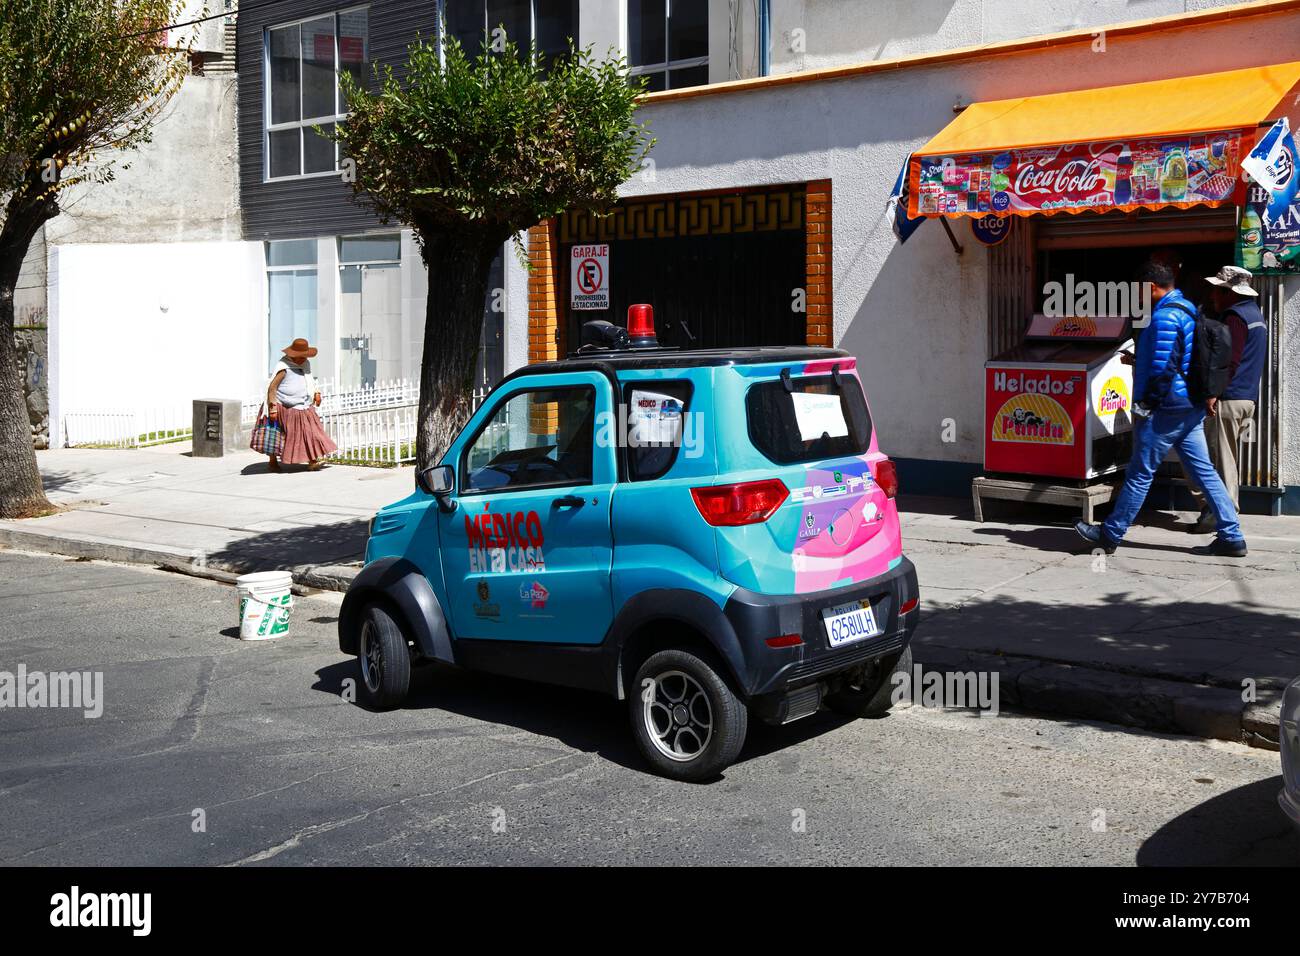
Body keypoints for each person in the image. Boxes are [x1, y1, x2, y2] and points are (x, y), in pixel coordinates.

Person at [1074, 260, 1248, 558]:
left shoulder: (1165, 316)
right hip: (1188, 407)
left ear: (1151, 286)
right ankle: (1232, 536)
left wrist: (1146, 405)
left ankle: (1109, 535)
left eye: (1140, 290)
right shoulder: (1189, 309)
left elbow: (1162, 368)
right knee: (1205, 473)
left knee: (1140, 474)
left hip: (1166, 409)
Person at [1187, 265, 1265, 532]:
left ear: (1229, 293)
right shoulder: (1255, 314)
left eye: (1216, 290)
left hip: (1230, 398)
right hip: (1247, 398)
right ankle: (1222, 515)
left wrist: (1213, 393)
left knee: (1220, 461)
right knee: (1225, 458)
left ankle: (1225, 519)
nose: (1212, 296)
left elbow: (1229, 361)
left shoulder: (1235, 316)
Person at [265, 338, 337, 472]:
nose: (303, 359)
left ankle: (313, 460)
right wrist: (273, 408)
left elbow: (309, 380)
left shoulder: (305, 364)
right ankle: (272, 461)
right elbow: (272, 388)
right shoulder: (283, 367)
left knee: (312, 432)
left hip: (304, 405)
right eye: (301, 356)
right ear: (293, 355)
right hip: (284, 406)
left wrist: (316, 392)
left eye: (305, 356)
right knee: (276, 436)